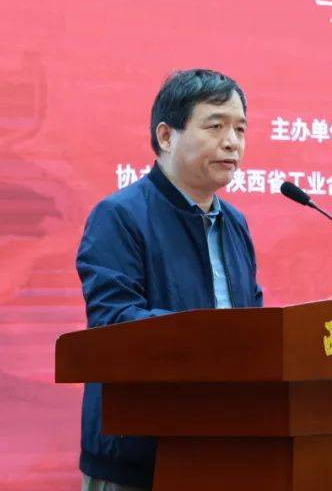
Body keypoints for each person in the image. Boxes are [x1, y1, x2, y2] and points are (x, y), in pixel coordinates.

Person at [75, 69, 262, 491]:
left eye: (240, 129)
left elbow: (251, 321)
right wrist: (213, 338)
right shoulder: (119, 216)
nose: (232, 142)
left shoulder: (235, 224)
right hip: (139, 459)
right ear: (166, 136)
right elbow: (114, 325)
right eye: (215, 126)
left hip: (224, 449)